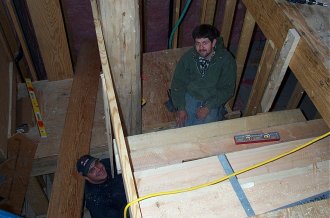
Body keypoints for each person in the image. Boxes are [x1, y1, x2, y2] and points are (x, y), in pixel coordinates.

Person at [170, 24, 236, 127]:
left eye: (205, 43)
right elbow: (178, 83)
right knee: (182, 125)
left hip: (213, 98)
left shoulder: (226, 60)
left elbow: (227, 89)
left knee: (206, 129)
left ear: (214, 42)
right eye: (197, 43)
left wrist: (208, 107)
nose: (201, 48)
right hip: (191, 96)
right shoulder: (188, 58)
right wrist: (181, 107)